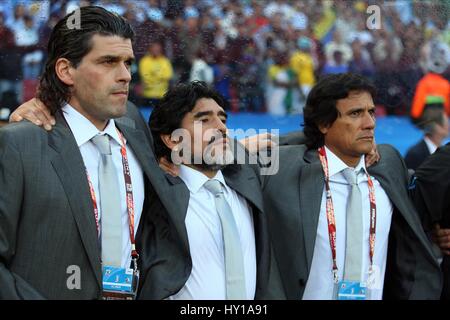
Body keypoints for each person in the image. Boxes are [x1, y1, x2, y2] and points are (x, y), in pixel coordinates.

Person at [0, 6, 175, 300]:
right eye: (108, 62)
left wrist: (242, 149)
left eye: (127, 62)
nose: (125, 76)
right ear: (66, 70)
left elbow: (189, 154)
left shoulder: (133, 123)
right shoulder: (21, 143)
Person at [262, 73, 442, 299]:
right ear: (324, 123)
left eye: (371, 112)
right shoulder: (288, 169)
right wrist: (306, 138)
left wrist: (439, 230)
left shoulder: (388, 164)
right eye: (356, 114)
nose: (370, 124)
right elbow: (235, 158)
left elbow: (429, 196)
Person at [139, 81, 285, 299]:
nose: (221, 127)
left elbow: (306, 144)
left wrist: (239, 146)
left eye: (223, 119)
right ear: (172, 139)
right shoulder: (155, 192)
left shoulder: (248, 181)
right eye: (204, 120)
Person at [405, 106, 449, 170]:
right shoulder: (415, 155)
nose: (449, 126)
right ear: (437, 127)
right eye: (447, 123)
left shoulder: (445, 151)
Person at [138, 41, 173, 108]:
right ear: (150, 49)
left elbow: (168, 75)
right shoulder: (145, 61)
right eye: (154, 48)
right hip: (148, 95)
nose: (156, 50)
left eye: (157, 49)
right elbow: (146, 77)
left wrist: (154, 73)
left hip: (162, 95)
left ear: (161, 49)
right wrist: (160, 76)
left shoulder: (165, 61)